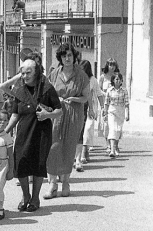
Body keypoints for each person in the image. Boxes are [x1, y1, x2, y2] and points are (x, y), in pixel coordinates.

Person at [6, 59, 62, 211]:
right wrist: (4, 132)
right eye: (23, 73)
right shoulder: (19, 89)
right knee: (21, 162)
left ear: (36, 72)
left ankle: (35, 198)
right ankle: (25, 196)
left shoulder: (47, 88)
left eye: (28, 72)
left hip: (41, 132)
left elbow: (59, 110)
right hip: (24, 131)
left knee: (38, 164)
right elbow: (15, 114)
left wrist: (47, 115)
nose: (25, 76)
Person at [45, 44, 89, 199]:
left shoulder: (81, 75)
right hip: (56, 112)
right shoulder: (54, 74)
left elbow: (86, 97)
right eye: (64, 56)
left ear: (74, 56)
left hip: (73, 113)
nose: (67, 58)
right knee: (53, 147)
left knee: (69, 147)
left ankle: (65, 183)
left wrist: (73, 99)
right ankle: (52, 185)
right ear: (60, 58)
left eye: (70, 55)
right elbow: (47, 94)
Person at [78, 60, 105, 166]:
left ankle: (84, 153)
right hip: (79, 107)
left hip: (91, 108)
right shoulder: (78, 79)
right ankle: (84, 153)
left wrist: (103, 107)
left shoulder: (93, 80)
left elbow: (99, 93)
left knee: (88, 129)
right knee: (81, 131)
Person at [103, 72, 130, 158]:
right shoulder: (109, 90)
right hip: (112, 110)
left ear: (122, 81)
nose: (118, 81)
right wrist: (105, 112)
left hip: (120, 111)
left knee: (118, 130)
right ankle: (112, 150)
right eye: (116, 79)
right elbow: (106, 102)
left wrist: (127, 114)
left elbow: (126, 103)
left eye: (119, 79)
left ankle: (115, 147)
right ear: (113, 81)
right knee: (113, 129)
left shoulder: (124, 90)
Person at [99, 58, 120, 153]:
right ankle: (108, 145)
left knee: (116, 126)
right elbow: (98, 90)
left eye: (114, 65)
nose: (112, 67)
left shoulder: (117, 76)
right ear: (107, 65)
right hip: (105, 104)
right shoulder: (102, 77)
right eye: (110, 65)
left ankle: (115, 145)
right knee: (106, 125)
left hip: (115, 105)